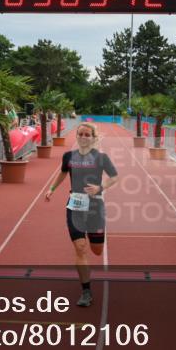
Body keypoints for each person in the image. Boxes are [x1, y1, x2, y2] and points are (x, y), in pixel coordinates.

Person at [44, 122, 119, 307]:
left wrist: (100, 187)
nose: (84, 137)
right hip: (75, 206)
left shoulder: (101, 158)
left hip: (95, 208)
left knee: (96, 250)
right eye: (81, 134)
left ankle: (97, 239)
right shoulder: (68, 156)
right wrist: (52, 189)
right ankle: (86, 291)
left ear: (94, 138)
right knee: (80, 247)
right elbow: (63, 173)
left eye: (87, 134)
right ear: (76, 136)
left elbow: (115, 177)